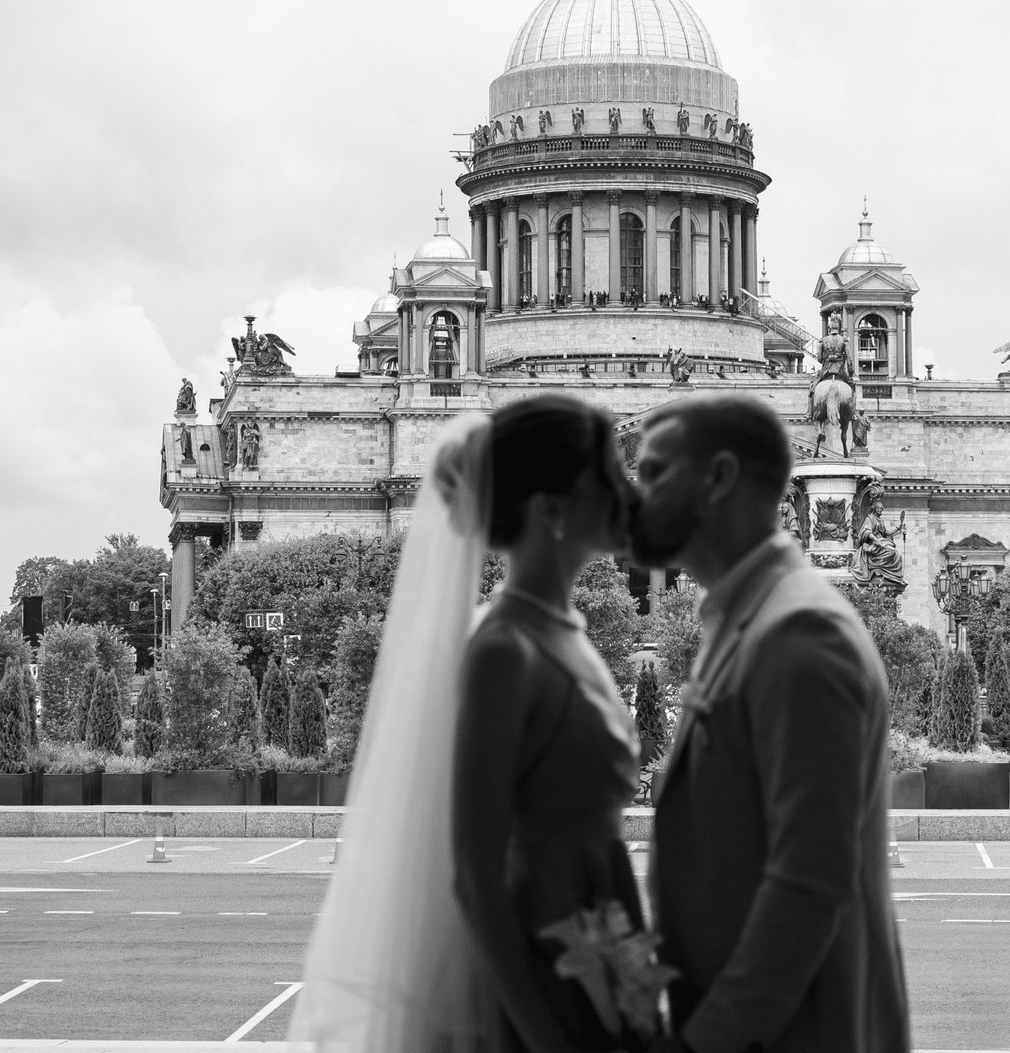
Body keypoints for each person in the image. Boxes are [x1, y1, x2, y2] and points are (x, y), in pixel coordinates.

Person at [289, 395, 652, 1052]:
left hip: (593, 963)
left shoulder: (563, 632)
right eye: (610, 475)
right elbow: (475, 877)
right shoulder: (503, 650)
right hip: (537, 989)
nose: (630, 493)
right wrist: (548, 1037)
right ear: (550, 509)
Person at [630, 394, 910, 1053]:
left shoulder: (800, 634)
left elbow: (808, 885)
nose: (634, 494)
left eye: (653, 473)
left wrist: (701, 1042)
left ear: (720, 478)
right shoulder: (749, 619)